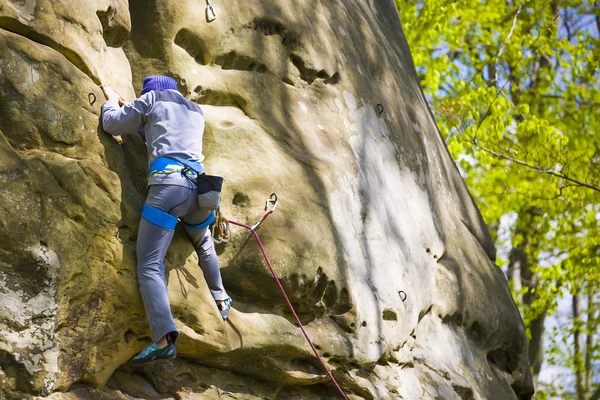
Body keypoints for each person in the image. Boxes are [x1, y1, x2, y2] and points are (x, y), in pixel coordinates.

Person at [100, 76, 232, 364]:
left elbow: (112, 124)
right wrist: (138, 111)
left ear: (151, 92)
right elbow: (163, 132)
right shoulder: (195, 110)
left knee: (149, 263)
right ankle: (221, 298)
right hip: (201, 193)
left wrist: (113, 101)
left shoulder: (151, 99)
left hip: (170, 190)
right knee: (204, 242)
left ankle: (163, 339)